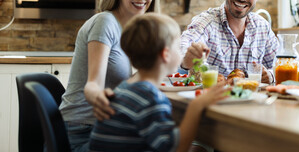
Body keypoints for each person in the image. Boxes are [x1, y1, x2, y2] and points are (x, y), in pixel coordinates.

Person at [89, 13, 230, 152]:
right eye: (177, 47)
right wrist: (196, 106)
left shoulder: (126, 88)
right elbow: (177, 149)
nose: (181, 51)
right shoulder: (150, 98)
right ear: (165, 54)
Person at [59, 0, 161, 152]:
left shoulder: (130, 31)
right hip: (81, 131)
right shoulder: (105, 22)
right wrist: (99, 96)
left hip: (104, 126)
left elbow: (124, 85)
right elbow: (93, 85)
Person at [180, 0, 279, 84]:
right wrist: (187, 58)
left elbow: (282, 64)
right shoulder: (207, 21)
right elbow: (184, 45)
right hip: (211, 100)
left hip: (253, 100)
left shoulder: (262, 27)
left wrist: (271, 75)